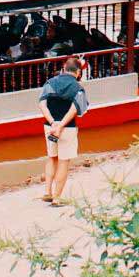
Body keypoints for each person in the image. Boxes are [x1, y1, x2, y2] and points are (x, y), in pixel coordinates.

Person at [37, 56, 89, 205]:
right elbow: (76, 109)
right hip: (67, 128)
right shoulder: (78, 88)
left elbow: (42, 104)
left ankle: (47, 192)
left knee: (51, 158)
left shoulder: (50, 83)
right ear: (78, 72)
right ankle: (57, 198)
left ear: (64, 69)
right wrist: (60, 126)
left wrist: (53, 123)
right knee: (63, 161)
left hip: (49, 126)